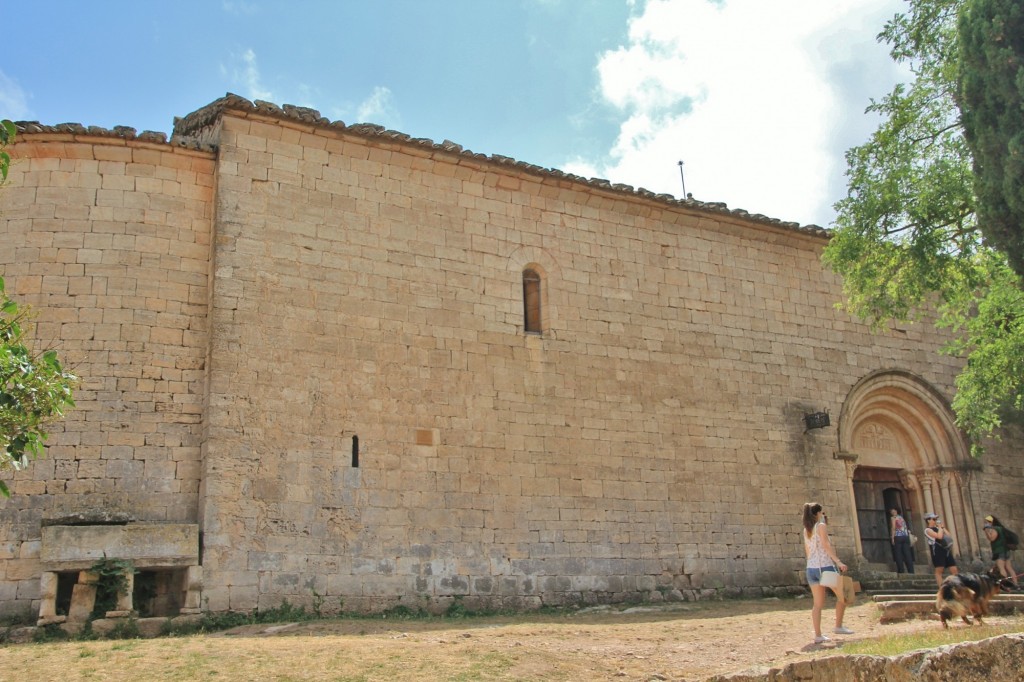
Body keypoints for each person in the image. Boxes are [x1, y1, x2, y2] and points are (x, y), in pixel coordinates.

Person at [802, 502, 853, 644]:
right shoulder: (820, 526)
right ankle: (838, 626)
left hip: (811, 569)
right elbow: (826, 544)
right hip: (825, 567)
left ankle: (818, 635)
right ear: (818, 513)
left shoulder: (806, 530)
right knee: (844, 595)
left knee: (817, 604)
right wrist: (838, 561)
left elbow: (807, 551)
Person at [983, 514, 1019, 588]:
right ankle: (1016, 584)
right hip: (1006, 551)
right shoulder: (1001, 528)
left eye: (986, 522)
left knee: (1001, 568)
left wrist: (986, 531)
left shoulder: (995, 529)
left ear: (991, 522)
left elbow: (992, 539)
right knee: (1009, 568)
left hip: (999, 552)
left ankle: (1005, 585)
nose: (985, 523)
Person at [924, 512, 958, 586]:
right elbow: (939, 536)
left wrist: (942, 527)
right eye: (934, 519)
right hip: (937, 551)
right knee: (939, 570)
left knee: (954, 569)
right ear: (928, 520)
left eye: (936, 519)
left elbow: (948, 535)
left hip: (946, 550)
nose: (935, 520)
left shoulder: (938, 528)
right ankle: (941, 589)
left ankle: (955, 586)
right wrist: (939, 528)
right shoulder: (927, 530)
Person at [889, 508, 914, 575]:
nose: (893, 512)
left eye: (893, 511)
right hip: (905, 536)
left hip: (898, 536)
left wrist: (892, 537)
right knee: (907, 554)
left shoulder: (893, 518)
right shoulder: (902, 518)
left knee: (898, 554)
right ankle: (911, 571)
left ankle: (901, 570)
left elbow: (893, 527)